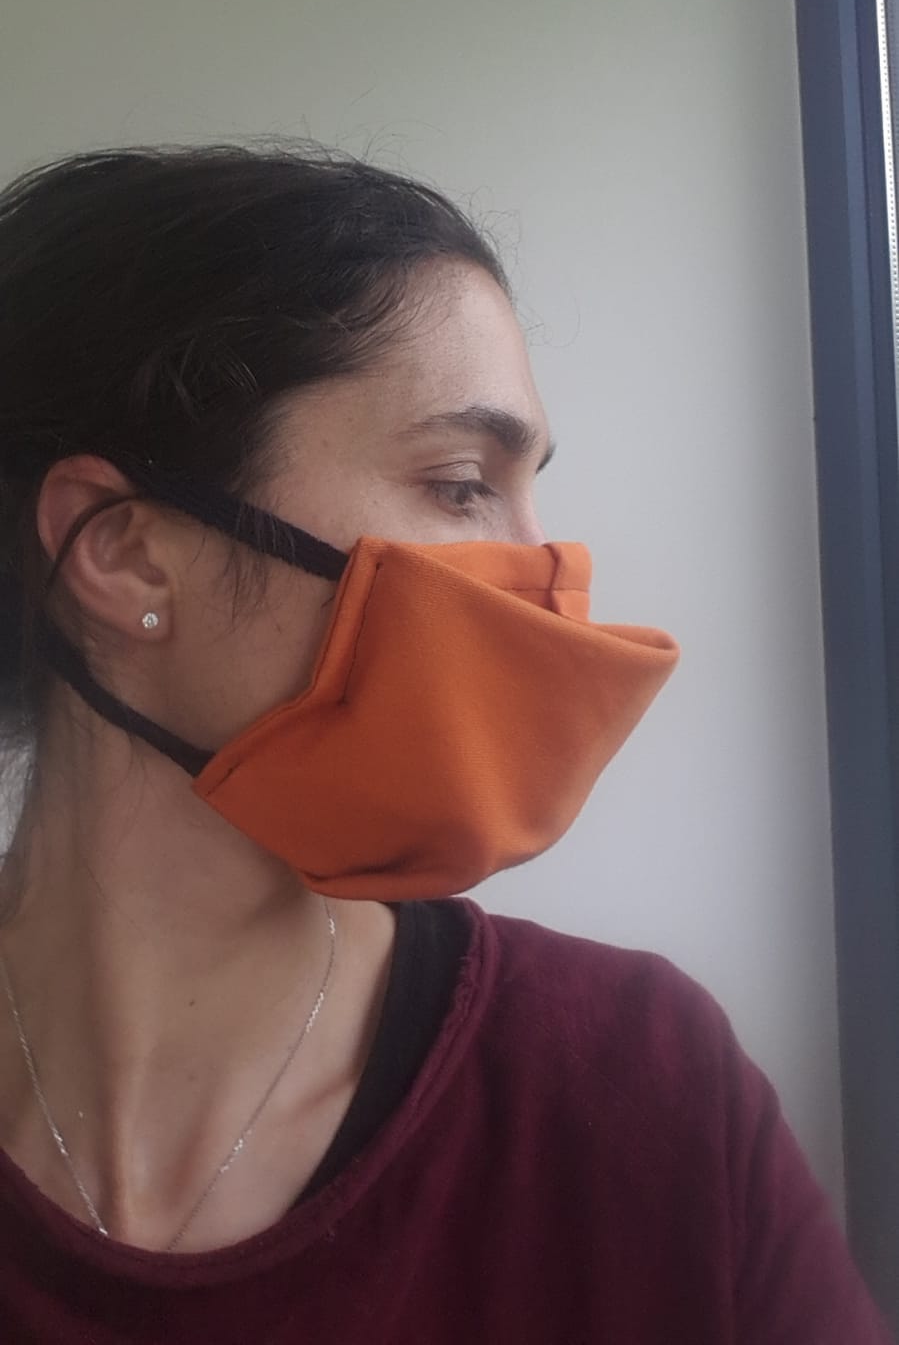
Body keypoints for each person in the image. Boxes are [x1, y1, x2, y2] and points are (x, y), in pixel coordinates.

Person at [0, 144, 889, 1344]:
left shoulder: (639, 1086)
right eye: (463, 484)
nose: (543, 580)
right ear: (128, 555)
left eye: (527, 495)